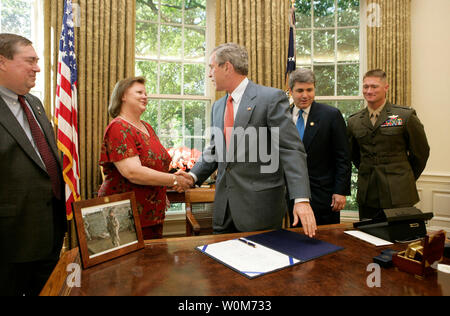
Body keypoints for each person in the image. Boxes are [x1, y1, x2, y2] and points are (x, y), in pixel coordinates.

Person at [178, 43, 317, 237]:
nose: (209, 74)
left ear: (227, 67)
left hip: (259, 210)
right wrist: (192, 176)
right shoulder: (218, 106)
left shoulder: (270, 98)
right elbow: (216, 149)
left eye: (212, 67)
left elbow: (291, 149)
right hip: (223, 210)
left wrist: (301, 199)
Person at [0, 33, 66, 296]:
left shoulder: (35, 104)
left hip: (49, 231)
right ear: (2, 62)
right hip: (10, 240)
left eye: (37, 61)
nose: (37, 67)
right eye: (30, 61)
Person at [98, 77, 191, 240]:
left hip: (152, 213)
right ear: (123, 96)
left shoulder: (147, 126)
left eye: (146, 93)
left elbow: (155, 166)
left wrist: (162, 192)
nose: (145, 96)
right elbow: (133, 172)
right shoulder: (118, 127)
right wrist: (173, 180)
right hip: (127, 216)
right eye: (139, 92)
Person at [347, 69, 430, 220]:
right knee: (369, 238)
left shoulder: (404, 116)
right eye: (366, 87)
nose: (369, 91)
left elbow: (421, 153)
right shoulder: (354, 121)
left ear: (386, 87)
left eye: (374, 86)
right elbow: (354, 155)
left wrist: (404, 176)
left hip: (399, 192)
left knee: (400, 240)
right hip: (368, 193)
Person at [287, 68, 351, 225]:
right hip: (291, 195)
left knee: (327, 242)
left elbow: (343, 157)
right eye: (300, 90)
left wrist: (340, 191)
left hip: (324, 196)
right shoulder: (282, 116)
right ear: (290, 91)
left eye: (309, 90)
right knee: (295, 242)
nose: (305, 95)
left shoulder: (331, 115)